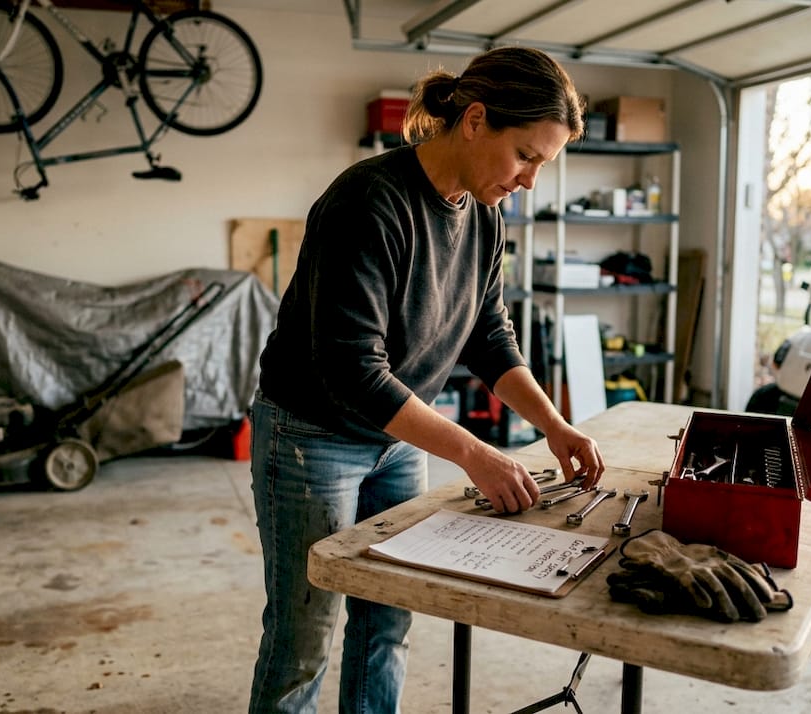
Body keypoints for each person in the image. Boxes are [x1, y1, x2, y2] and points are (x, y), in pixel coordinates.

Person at [248, 46, 607, 714]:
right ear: (474, 121)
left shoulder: (485, 215)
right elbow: (354, 369)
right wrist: (475, 453)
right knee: (305, 633)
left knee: (388, 617)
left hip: (396, 437)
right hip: (312, 436)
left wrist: (554, 425)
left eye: (543, 165)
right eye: (524, 156)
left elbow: (488, 336)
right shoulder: (368, 202)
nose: (530, 181)